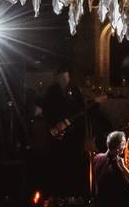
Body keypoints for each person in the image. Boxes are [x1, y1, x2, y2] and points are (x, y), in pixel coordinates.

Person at [41, 65, 88, 198]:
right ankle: (58, 194)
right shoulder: (52, 91)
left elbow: (81, 109)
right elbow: (47, 111)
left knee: (73, 163)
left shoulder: (74, 90)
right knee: (58, 164)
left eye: (66, 78)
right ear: (57, 79)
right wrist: (53, 127)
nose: (64, 81)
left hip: (73, 135)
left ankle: (73, 194)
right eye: (61, 78)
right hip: (57, 134)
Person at [92, 131, 129, 207]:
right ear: (118, 146)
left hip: (98, 201)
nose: (125, 146)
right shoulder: (116, 165)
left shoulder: (97, 157)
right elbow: (125, 190)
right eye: (123, 144)